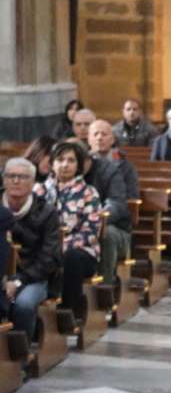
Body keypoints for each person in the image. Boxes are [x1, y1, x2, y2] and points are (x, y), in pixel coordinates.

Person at [42, 141, 102, 324]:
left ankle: (67, 314)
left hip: (81, 252)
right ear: (52, 163)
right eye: (60, 160)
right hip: (45, 250)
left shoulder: (89, 192)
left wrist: (60, 246)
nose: (65, 164)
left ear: (79, 166)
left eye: (71, 160)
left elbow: (91, 232)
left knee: (71, 257)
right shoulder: (39, 190)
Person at [1, 158, 60, 341]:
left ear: (33, 182)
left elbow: (49, 258)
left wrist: (18, 282)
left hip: (32, 277)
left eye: (22, 177)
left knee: (23, 304)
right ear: (3, 179)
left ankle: (20, 352)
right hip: (1, 275)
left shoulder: (46, 212)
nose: (16, 181)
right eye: (11, 176)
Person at [86, 119, 135, 287]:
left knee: (106, 234)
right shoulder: (80, 164)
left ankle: (105, 290)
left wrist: (100, 219)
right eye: (95, 134)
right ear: (88, 140)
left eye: (104, 134)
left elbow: (123, 202)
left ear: (112, 139)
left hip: (116, 226)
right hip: (85, 222)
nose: (99, 138)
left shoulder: (124, 166)